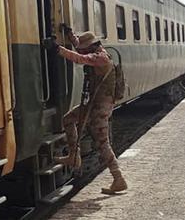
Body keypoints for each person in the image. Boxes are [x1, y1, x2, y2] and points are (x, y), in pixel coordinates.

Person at [43, 26, 128, 195]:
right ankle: (74, 156)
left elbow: (80, 58)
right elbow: (79, 49)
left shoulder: (101, 58)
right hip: (92, 104)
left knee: (102, 142)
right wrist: (70, 35)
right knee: (68, 119)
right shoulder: (96, 51)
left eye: (84, 47)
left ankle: (118, 179)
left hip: (101, 108)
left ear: (91, 46)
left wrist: (58, 49)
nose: (82, 48)